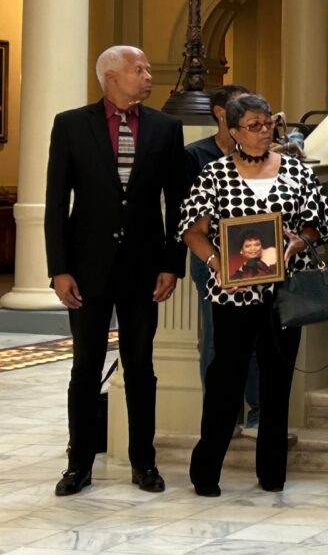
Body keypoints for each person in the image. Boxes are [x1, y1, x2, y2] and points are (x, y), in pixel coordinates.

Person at [46, 46, 187, 497]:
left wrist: (172, 263)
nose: (148, 76)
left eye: (147, 69)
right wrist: (59, 269)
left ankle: (143, 462)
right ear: (110, 76)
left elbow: (178, 203)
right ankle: (78, 464)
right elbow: (55, 204)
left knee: (141, 366)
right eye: (139, 70)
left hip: (144, 269)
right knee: (85, 366)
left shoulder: (166, 128)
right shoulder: (70, 125)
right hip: (86, 268)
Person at [179, 94, 328, 496]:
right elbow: (192, 232)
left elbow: (320, 227)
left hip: (284, 297)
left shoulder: (297, 172)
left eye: (268, 123)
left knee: (277, 384)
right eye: (253, 125)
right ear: (233, 131)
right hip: (231, 297)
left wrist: (296, 244)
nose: (264, 131)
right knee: (224, 383)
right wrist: (218, 265)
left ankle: (272, 473)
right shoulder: (214, 174)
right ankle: (206, 471)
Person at [183, 85, 253, 394]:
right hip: (210, 258)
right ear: (220, 114)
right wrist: (215, 262)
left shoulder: (260, 154)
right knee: (215, 337)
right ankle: (220, 415)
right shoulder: (195, 155)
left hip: (255, 255)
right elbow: (187, 214)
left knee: (255, 337)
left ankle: (256, 413)